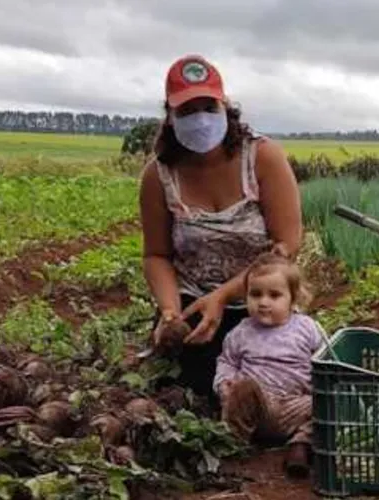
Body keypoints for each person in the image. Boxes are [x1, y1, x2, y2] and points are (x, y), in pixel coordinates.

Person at [138, 54, 303, 406]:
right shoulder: (159, 175)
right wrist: (169, 313)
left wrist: (225, 296)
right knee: (189, 395)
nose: (199, 118)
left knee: (276, 383)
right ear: (170, 115)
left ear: (225, 106)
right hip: (193, 309)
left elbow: (287, 243)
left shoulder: (262, 157)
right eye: (187, 110)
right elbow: (156, 255)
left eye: (207, 106)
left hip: (260, 301)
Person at [212, 252, 326, 478]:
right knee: (243, 388)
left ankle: (301, 445)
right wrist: (225, 384)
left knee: (330, 401)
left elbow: (326, 359)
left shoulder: (308, 328)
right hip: (260, 408)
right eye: (255, 294)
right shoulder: (240, 332)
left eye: (274, 295)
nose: (263, 302)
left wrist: (318, 388)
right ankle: (234, 447)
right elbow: (227, 362)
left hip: (298, 406)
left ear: (292, 299)